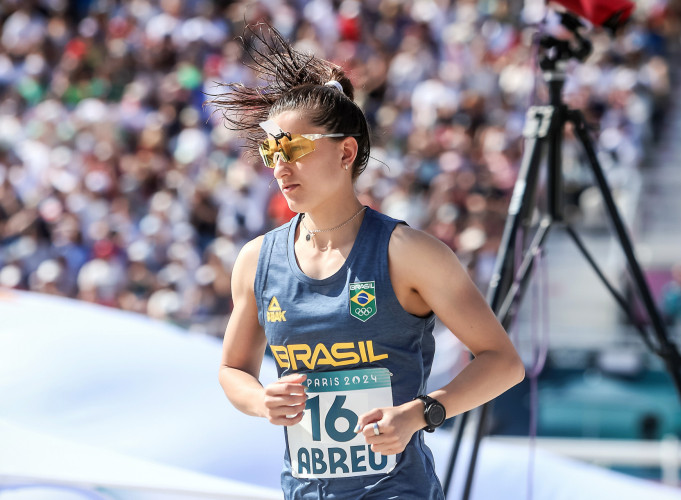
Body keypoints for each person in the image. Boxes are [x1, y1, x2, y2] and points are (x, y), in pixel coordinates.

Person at [212, 25, 524, 500]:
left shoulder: (409, 253)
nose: (279, 165)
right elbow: (233, 370)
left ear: (347, 151)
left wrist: (422, 413)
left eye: (294, 148)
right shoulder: (256, 260)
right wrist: (262, 400)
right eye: (270, 150)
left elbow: (504, 363)